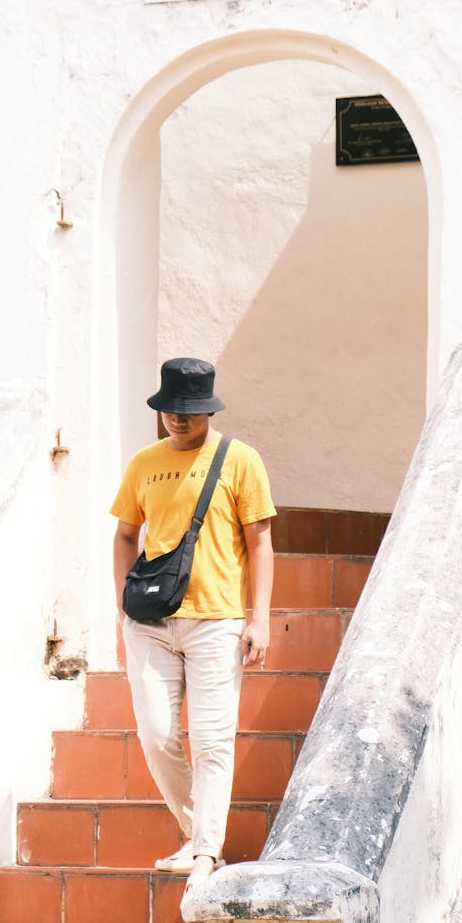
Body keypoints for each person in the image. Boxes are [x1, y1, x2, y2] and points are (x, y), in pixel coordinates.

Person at [110, 357, 275, 890]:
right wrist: (122, 609)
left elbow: (260, 542)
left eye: (190, 412)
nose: (178, 421)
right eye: (170, 412)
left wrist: (260, 618)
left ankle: (205, 850)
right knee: (157, 735)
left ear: (208, 409)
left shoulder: (240, 460)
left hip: (217, 621)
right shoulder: (144, 463)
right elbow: (124, 535)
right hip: (152, 622)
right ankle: (194, 830)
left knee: (211, 740)